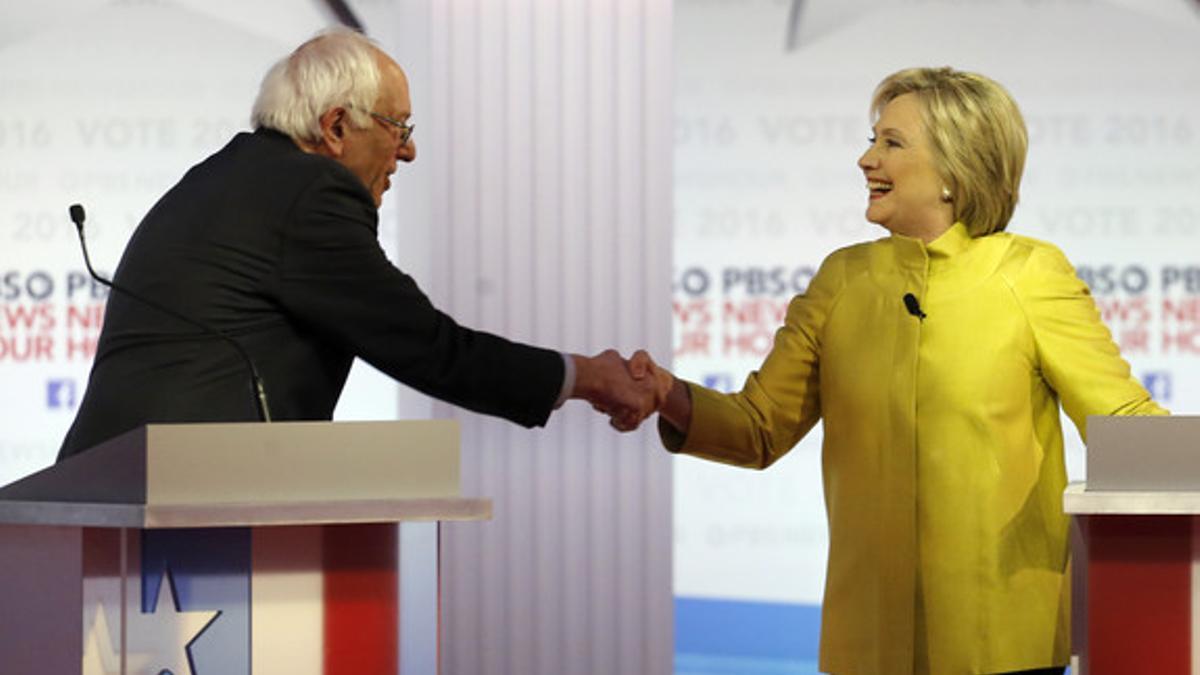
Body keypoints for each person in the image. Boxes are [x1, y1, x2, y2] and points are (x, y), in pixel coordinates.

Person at [628, 67, 1168, 674]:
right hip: (868, 642)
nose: (866, 160)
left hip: (1000, 642)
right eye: (871, 139)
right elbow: (758, 428)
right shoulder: (843, 279)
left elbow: (1121, 418)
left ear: (954, 168)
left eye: (891, 143)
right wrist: (669, 396)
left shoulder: (1028, 274)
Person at [58, 29, 656, 461]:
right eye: (399, 128)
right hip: (185, 509)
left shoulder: (223, 179)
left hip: (116, 494)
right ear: (337, 126)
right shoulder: (309, 191)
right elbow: (425, 346)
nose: (409, 151)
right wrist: (583, 376)